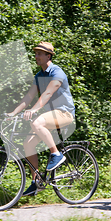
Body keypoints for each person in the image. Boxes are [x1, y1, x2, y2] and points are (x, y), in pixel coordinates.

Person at [7, 42, 75, 196]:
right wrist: (13, 113)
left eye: (40, 53)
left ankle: (56, 154)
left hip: (64, 113)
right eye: (36, 53)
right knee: (27, 144)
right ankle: (37, 182)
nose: (36, 56)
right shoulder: (39, 76)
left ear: (48, 56)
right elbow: (29, 96)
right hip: (49, 116)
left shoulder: (57, 72)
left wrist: (33, 110)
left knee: (36, 122)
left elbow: (48, 93)